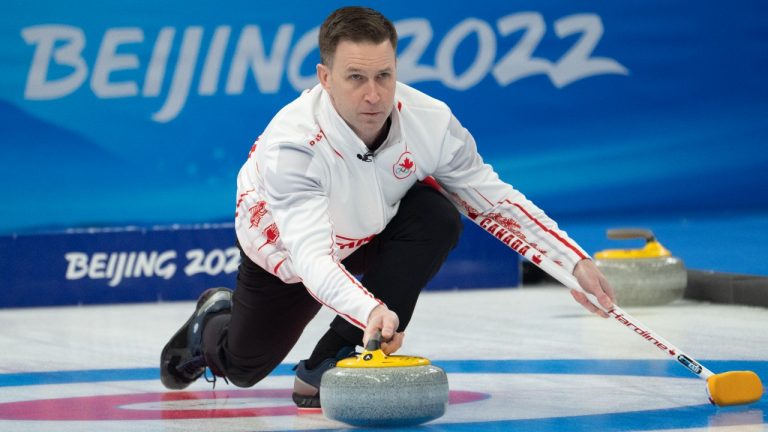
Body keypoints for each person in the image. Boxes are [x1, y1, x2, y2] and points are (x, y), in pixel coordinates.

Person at [160, 6, 616, 408]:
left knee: (437, 215)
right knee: (244, 367)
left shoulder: (430, 120)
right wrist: (370, 311)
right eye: (355, 78)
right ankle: (213, 322)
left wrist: (572, 262)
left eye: (384, 76)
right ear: (325, 78)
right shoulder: (292, 147)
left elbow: (490, 197)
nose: (374, 95)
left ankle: (329, 364)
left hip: (372, 226)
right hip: (290, 256)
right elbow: (314, 260)